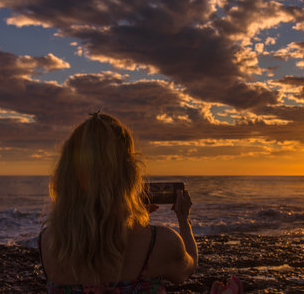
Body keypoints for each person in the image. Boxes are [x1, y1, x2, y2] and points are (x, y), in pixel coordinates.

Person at [38, 112, 198, 293]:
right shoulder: (160, 243)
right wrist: (184, 219)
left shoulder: (48, 243)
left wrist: (129, 218)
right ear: (129, 174)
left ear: (66, 175)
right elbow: (187, 268)